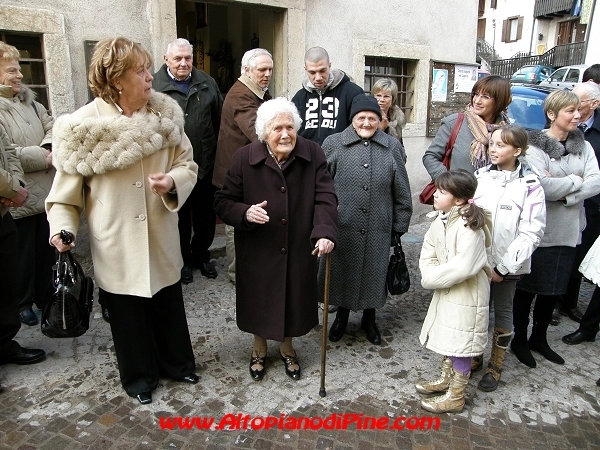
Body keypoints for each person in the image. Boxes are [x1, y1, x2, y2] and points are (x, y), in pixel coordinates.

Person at [46, 37, 199, 405]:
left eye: (148, 69)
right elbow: (65, 196)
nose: (150, 77)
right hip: (116, 241)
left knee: (167, 305)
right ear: (116, 80)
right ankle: (139, 377)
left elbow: (188, 165)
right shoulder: (82, 128)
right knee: (128, 316)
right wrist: (62, 229)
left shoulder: (164, 115)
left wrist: (172, 182)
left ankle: (177, 364)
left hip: (160, 235)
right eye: (140, 71)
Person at [214, 97, 338, 382]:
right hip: (258, 247)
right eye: (277, 128)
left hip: (297, 244)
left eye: (290, 127)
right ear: (263, 132)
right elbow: (222, 201)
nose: (285, 134)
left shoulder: (313, 153)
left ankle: (286, 347)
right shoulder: (244, 157)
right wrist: (245, 212)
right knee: (259, 297)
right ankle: (258, 348)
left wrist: (324, 231)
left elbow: (325, 197)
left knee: (293, 296)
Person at [511, 89, 600, 368]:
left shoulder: (584, 146)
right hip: (540, 230)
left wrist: (565, 194)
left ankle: (539, 337)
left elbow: (596, 182)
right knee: (527, 289)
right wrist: (576, 179)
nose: (577, 116)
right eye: (570, 111)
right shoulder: (534, 148)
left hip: (569, 230)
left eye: (578, 110)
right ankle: (519, 339)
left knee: (553, 289)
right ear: (552, 114)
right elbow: (541, 186)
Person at [319, 94, 412, 345]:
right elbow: (321, 186)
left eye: (373, 118)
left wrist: (399, 226)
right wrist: (322, 220)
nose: (367, 123)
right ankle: (342, 318)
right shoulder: (334, 144)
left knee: (374, 274)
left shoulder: (392, 146)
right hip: (342, 225)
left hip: (379, 226)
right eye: (361, 118)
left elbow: (402, 190)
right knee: (342, 272)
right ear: (353, 119)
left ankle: (370, 320)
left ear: (380, 120)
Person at [473, 125, 546, 392]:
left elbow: (531, 232)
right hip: (478, 261)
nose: (493, 149)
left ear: (517, 151)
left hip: (507, 264)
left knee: (503, 310)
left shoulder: (530, 186)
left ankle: (496, 363)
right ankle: (476, 354)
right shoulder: (480, 177)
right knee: (478, 309)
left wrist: (504, 268)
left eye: (501, 145)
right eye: (491, 143)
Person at [416, 169, 492, 414]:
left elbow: (464, 266)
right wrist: (431, 274)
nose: (435, 195)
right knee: (451, 337)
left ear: (458, 200)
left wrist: (433, 277)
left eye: (441, 191)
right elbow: (428, 252)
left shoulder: (469, 227)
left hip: (467, 294)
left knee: (461, 343)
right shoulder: (440, 221)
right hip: (448, 289)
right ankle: (446, 379)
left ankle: (456, 396)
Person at [153, 38, 223, 284]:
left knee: (205, 216)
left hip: (204, 164)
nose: (183, 63)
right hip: (173, 167)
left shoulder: (207, 83)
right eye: (177, 58)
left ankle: (201, 255)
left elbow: (218, 121)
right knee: (178, 217)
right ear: (166, 59)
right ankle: (182, 260)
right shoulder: (154, 86)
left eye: (188, 58)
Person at [0, 41, 55, 326]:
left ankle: (45, 297)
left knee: (45, 252)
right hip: (17, 194)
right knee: (21, 258)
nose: (19, 75)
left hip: (44, 192)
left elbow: (53, 127)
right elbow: (7, 153)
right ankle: (22, 304)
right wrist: (44, 157)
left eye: (19, 69)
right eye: (11, 70)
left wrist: (49, 147)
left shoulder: (32, 103)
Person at [213, 48, 273, 284]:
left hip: (248, 170)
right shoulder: (241, 95)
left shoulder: (259, 92)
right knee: (234, 223)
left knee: (250, 217)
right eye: (262, 70)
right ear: (247, 70)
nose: (267, 74)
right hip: (234, 172)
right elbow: (257, 132)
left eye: (270, 69)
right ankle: (237, 274)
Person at [0, 129, 46, 378]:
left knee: (8, 280)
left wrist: (15, 186)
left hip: (3, 212)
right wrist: (10, 189)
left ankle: (4, 344)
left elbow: (7, 151)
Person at [558, 82, 600, 324]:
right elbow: (546, 179)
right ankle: (554, 302)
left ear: (594, 104)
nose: (573, 106)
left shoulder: (594, 135)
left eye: (578, 101)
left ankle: (569, 303)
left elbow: (596, 180)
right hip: (561, 204)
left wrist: (571, 188)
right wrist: (574, 181)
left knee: (579, 254)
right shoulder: (560, 127)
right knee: (560, 254)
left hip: (592, 204)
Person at [423, 75, 512, 179]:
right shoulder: (454, 122)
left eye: (485, 97)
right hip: (458, 188)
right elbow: (430, 157)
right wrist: (448, 181)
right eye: (476, 94)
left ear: (499, 101)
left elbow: (516, 163)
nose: (477, 101)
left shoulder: (507, 131)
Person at [291, 47, 364, 145]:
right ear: (305, 69)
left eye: (322, 71)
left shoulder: (352, 92)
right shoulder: (299, 98)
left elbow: (362, 128)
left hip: (341, 153)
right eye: (312, 72)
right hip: (307, 154)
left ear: (329, 66)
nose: (318, 77)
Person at [371, 78, 407, 148]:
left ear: (393, 99)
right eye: (378, 95)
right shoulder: (368, 116)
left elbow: (400, 145)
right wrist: (381, 129)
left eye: (386, 96)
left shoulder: (397, 118)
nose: (382, 100)